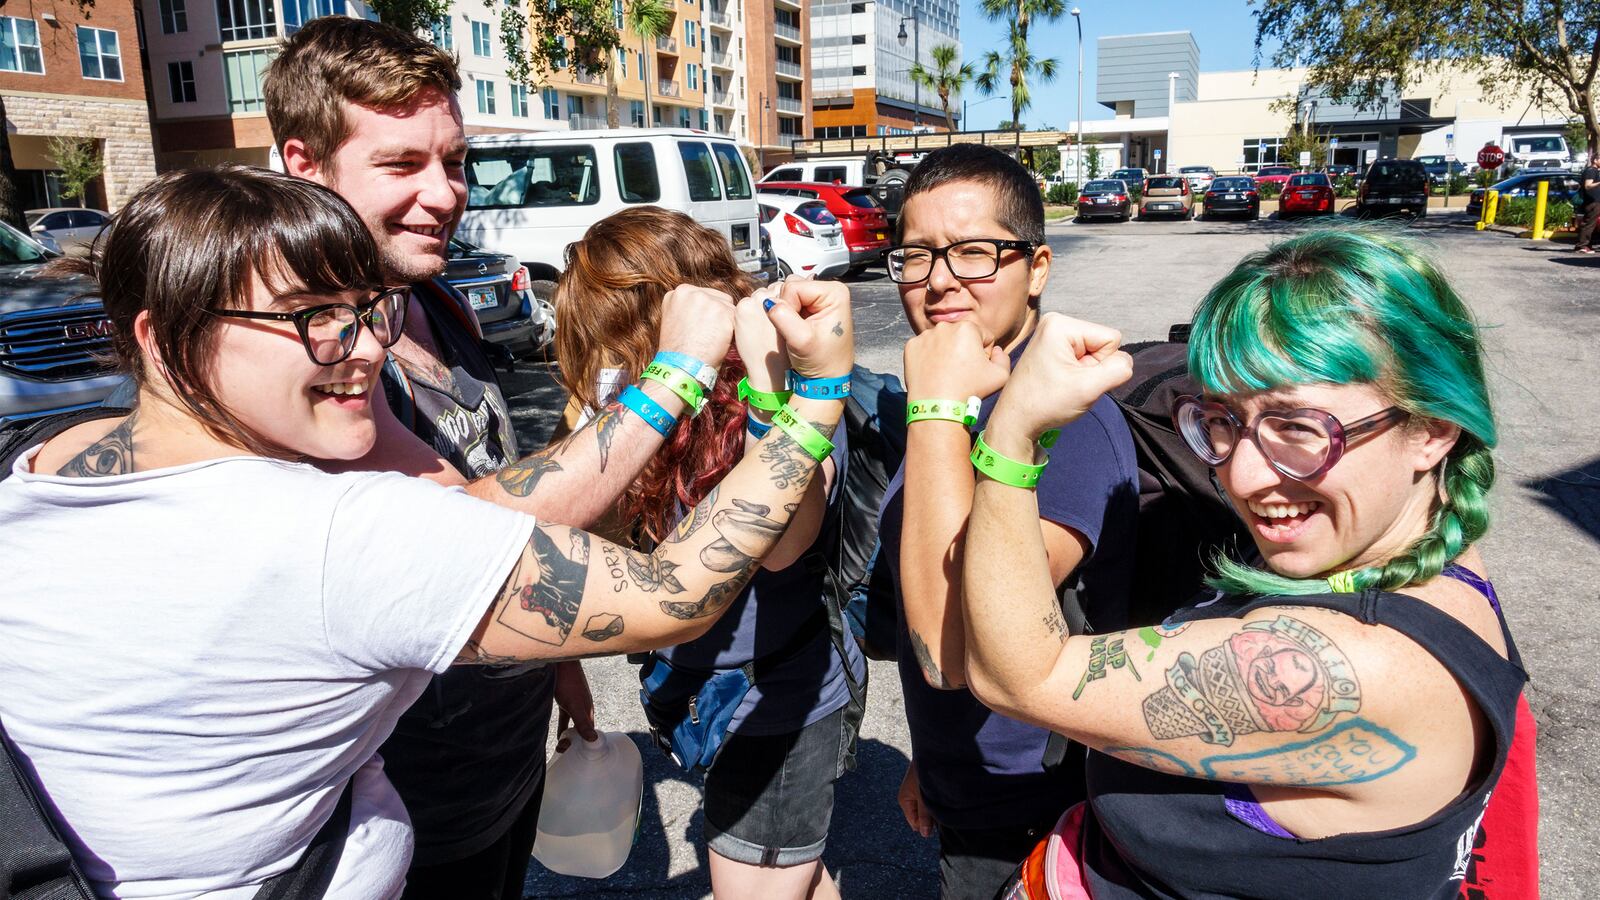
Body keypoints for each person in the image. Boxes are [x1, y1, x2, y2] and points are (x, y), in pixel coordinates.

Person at [0, 165, 854, 897]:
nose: (364, 348)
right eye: (308, 316)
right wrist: (811, 395)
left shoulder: (39, 461)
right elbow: (672, 594)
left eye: (365, 309)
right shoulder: (334, 534)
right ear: (163, 340)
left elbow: (479, 515)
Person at [261, 19, 727, 894]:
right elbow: (460, 531)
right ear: (305, 165)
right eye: (402, 164)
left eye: (455, 161)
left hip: (502, 760)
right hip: (403, 807)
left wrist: (558, 666)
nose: (444, 194)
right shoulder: (306, 355)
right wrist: (675, 374)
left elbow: (497, 487)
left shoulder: (432, 300)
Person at [959, 229, 1525, 898]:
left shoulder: (1352, 665)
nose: (1244, 476)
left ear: (1432, 429)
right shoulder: (1407, 552)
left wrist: (1013, 432)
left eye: (1300, 426)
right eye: (1223, 420)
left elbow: (1020, 678)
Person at [553, 207, 865, 900]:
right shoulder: (646, 401)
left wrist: (768, 393)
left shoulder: (791, 377)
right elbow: (585, 527)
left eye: (602, 337)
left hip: (775, 703)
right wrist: (604, 413)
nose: (597, 359)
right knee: (797, 877)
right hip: (694, 689)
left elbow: (784, 547)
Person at [875, 144, 1139, 899]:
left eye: (974, 252)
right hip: (968, 782)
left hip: (1037, 811)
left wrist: (931, 409)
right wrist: (931, 758)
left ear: (1038, 268)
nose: (939, 280)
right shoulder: (967, 388)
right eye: (917, 255)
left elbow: (947, 652)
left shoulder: (1063, 424)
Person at [1575, 147, 1599, 253]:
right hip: (1592, 201)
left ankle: (1588, 244)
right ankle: (1582, 245)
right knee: (1589, 223)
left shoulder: (1595, 171)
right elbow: (1588, 185)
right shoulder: (1591, 171)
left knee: (1592, 224)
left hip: (1595, 201)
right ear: (1595, 160)